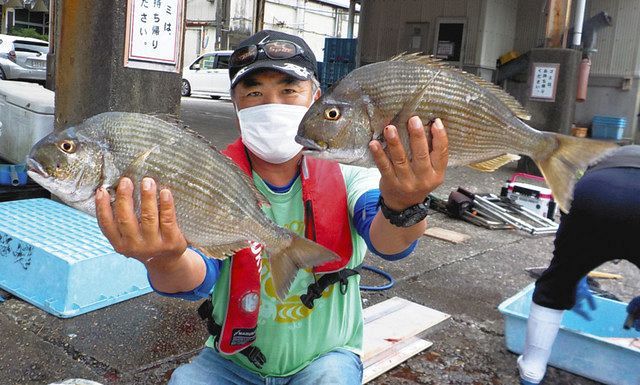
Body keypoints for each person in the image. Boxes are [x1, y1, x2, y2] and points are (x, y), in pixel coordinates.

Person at [94, 30, 449, 385]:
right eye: (253, 93)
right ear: (235, 104)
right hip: (230, 363)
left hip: (325, 358)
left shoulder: (351, 172)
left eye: (289, 90)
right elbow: (197, 278)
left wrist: (405, 205)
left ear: (317, 98)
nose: (271, 103)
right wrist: (163, 259)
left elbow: (389, 242)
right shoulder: (210, 176)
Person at [517, 144, 640, 385]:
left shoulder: (608, 155)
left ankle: (532, 368)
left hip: (593, 193)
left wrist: (573, 274)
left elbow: (567, 221)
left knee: (555, 284)